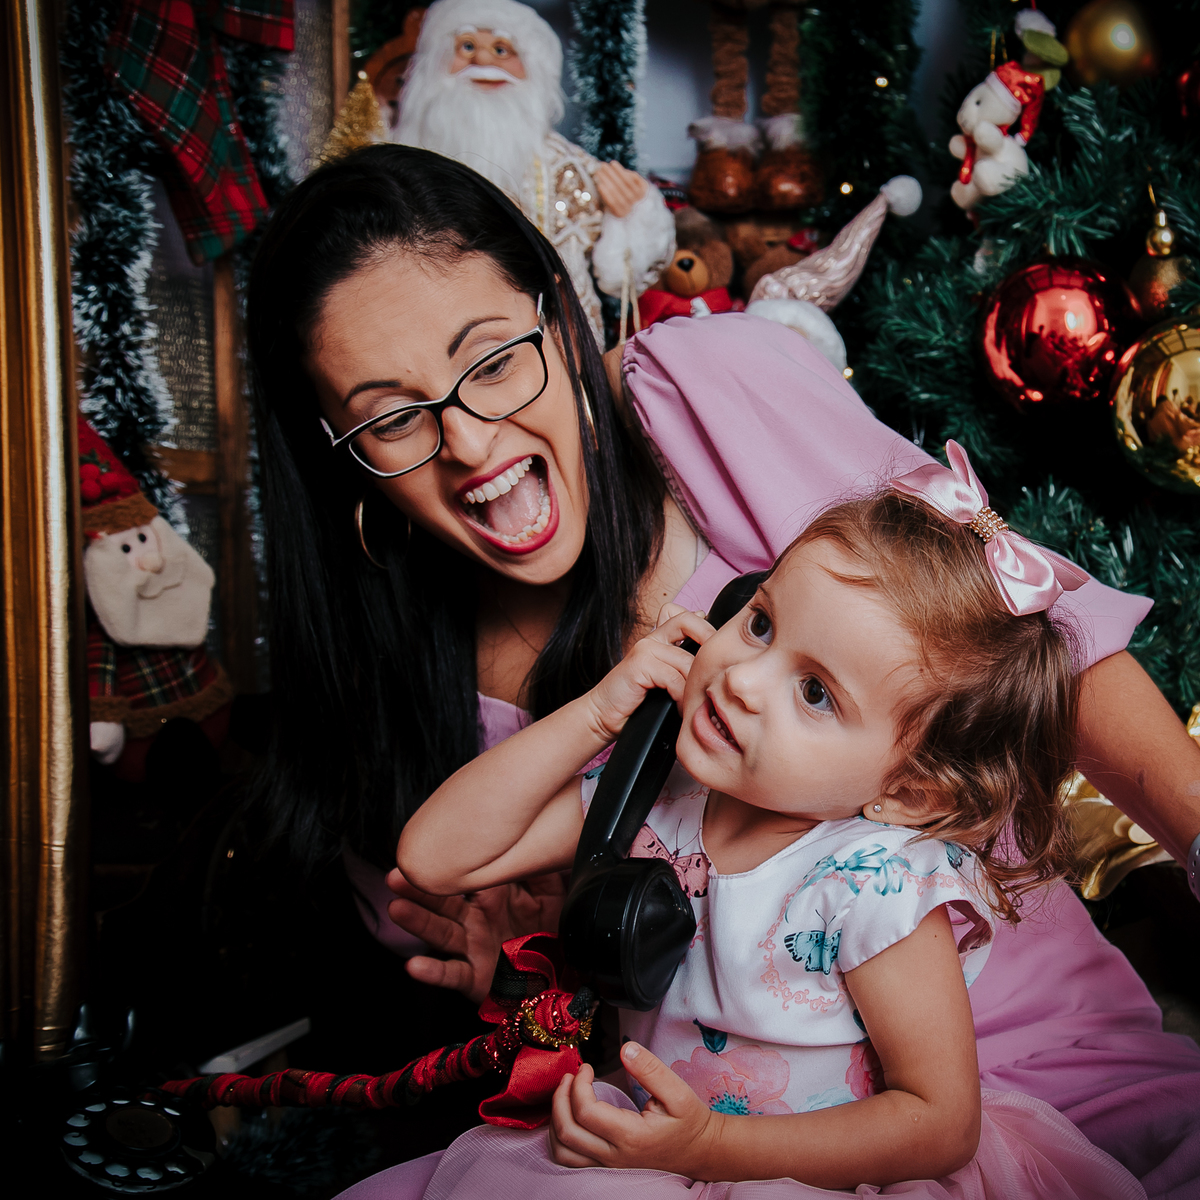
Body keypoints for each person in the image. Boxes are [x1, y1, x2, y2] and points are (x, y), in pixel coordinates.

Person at [245, 144, 1200, 1197]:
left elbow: (1035, 630)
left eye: (494, 360)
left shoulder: (702, 386)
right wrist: (541, 965)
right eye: (391, 417)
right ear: (340, 453)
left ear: (559, 315)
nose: (471, 443)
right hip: (704, 1133)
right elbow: (482, 904)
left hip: (1022, 1064)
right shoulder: (395, 696)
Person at [371, 446, 1147, 1198]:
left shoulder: (874, 886)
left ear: (908, 792)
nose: (742, 680)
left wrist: (710, 1146)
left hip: (806, 1172)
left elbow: (941, 1125)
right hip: (659, 1145)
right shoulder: (657, 796)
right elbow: (435, 857)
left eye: (815, 694)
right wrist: (598, 713)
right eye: (762, 624)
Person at [389, 0, 675, 342]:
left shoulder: (565, 165)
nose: (483, 60)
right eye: (466, 46)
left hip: (557, 340)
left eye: (501, 49)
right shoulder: (400, 162)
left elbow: (621, 278)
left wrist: (633, 215)